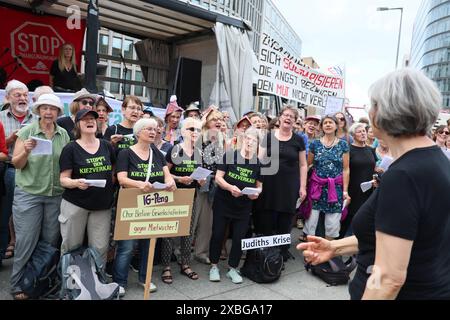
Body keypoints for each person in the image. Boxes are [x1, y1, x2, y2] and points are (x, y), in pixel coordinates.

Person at [298, 68, 450, 300]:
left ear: (386, 111)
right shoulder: (436, 161)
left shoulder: (404, 176)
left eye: (373, 105)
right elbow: (395, 236)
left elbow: (388, 279)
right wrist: (335, 247)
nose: (369, 112)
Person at [10, 93, 70, 300]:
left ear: (58, 113)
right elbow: (16, 164)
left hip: (55, 195)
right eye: (44, 108)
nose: (48, 112)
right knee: (26, 241)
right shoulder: (27, 131)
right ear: (38, 111)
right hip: (30, 194)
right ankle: (17, 284)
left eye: (52, 109)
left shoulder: (63, 134)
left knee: (49, 242)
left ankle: (39, 282)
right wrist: (25, 151)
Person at [113, 118, 176, 297]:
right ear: (138, 132)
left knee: (149, 243)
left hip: (152, 205)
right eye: (148, 129)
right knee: (127, 246)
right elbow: (122, 179)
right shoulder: (126, 153)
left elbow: (167, 174)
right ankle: (119, 281)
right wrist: (140, 184)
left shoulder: (155, 152)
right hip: (131, 205)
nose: (152, 132)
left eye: (155, 129)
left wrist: (170, 182)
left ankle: (145, 277)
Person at [59, 109, 116, 263]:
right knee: (71, 247)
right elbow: (63, 179)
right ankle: (70, 284)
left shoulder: (106, 146)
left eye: (92, 119)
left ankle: (97, 283)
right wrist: (76, 183)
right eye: (85, 119)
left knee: (100, 248)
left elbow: (112, 171)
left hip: (102, 206)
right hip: (75, 204)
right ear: (77, 125)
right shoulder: (70, 148)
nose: (90, 121)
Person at [209, 127, 262, 283]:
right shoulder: (230, 155)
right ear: (242, 139)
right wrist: (230, 187)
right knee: (218, 234)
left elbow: (260, 186)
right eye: (247, 138)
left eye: (254, 140)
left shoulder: (258, 163)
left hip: (243, 206)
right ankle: (214, 266)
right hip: (223, 202)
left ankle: (233, 268)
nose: (250, 142)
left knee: (239, 237)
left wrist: (256, 193)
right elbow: (218, 178)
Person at [256, 106, 307, 261]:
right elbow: (259, 160)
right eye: (286, 115)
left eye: (292, 116)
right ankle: (264, 253)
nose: (288, 118)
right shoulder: (268, 136)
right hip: (268, 183)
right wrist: (258, 183)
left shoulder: (298, 140)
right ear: (279, 118)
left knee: (285, 219)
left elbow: (303, 165)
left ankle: (282, 252)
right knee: (265, 217)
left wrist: (302, 186)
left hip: (289, 185)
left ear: (295, 120)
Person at [160, 118, 204, 284]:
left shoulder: (199, 153)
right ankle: (166, 267)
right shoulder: (175, 149)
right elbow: (165, 174)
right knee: (169, 233)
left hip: (191, 196)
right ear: (183, 131)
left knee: (187, 232)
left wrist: (201, 180)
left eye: (198, 130)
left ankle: (185, 264)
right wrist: (179, 179)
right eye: (191, 129)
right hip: (174, 196)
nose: (195, 132)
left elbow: (200, 176)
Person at [0, 80, 36, 266]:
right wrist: (11, 138)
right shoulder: (0, 118)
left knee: (28, 217)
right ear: (7, 98)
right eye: (17, 95)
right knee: (4, 215)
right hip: (8, 170)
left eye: (25, 95)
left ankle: (28, 261)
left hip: (33, 172)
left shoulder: (37, 118)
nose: (23, 98)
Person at [301, 115, 350, 241]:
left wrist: (345, 191)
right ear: (322, 126)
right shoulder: (315, 144)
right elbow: (308, 165)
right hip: (316, 187)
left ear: (336, 126)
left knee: (332, 224)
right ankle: (310, 255)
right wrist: (304, 186)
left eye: (331, 122)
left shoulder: (343, 145)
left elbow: (346, 169)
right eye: (325, 123)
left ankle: (328, 255)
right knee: (311, 222)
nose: (328, 125)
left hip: (336, 188)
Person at [192, 109, 226, 264]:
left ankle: (201, 252)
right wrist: (200, 178)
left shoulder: (223, 140)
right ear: (207, 122)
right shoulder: (200, 138)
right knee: (193, 219)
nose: (218, 122)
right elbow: (195, 161)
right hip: (200, 184)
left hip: (216, 184)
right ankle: (180, 250)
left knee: (207, 222)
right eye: (214, 119)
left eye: (220, 119)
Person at [340, 123, 376, 238]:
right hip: (352, 189)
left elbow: (373, 168)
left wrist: (376, 177)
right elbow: (344, 169)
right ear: (353, 135)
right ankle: (337, 247)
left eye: (364, 131)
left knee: (363, 220)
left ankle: (356, 252)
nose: (363, 133)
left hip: (368, 190)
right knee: (346, 219)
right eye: (359, 132)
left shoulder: (371, 150)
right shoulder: (348, 150)